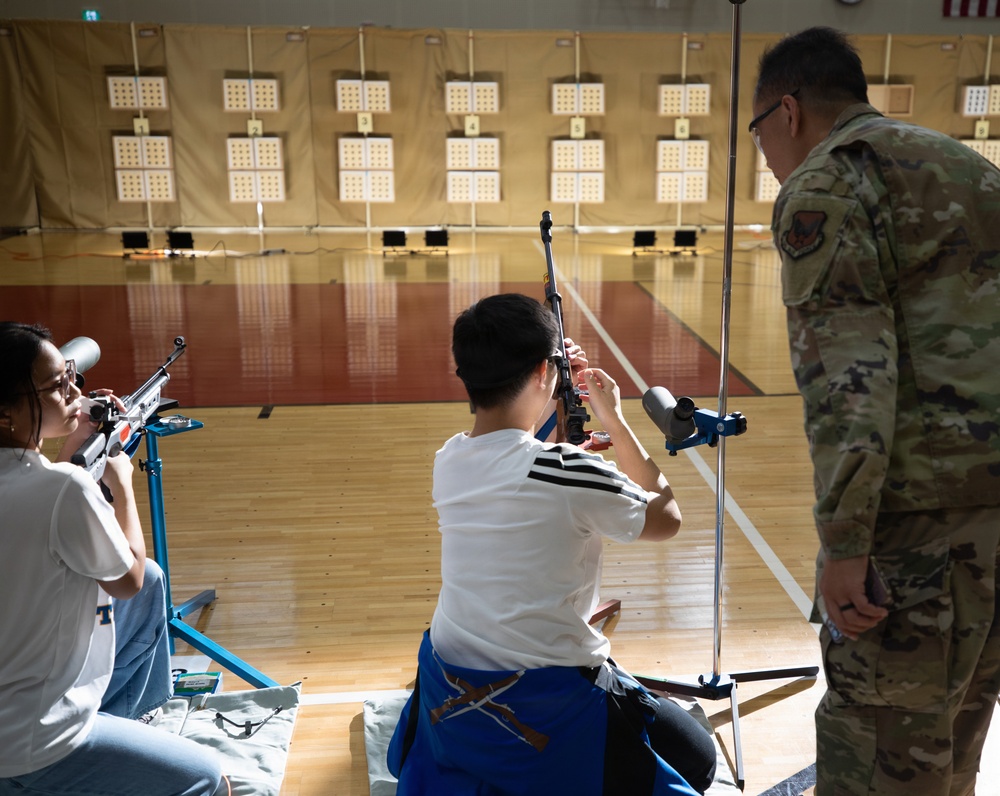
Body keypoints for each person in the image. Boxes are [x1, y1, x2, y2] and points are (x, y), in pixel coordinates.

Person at [752, 26, 1000, 796]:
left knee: (885, 760)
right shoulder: (975, 172)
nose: (764, 152)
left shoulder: (829, 185)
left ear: (787, 112)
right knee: (954, 747)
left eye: (758, 130)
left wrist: (847, 541)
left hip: (916, 539)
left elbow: (851, 381)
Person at [387, 293, 717, 795]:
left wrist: (550, 394)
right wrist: (615, 419)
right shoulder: (567, 471)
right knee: (698, 759)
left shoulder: (449, 459)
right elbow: (665, 517)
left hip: (450, 681)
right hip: (548, 698)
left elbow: (517, 454)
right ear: (545, 371)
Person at [0, 322, 227, 796]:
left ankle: (126, 738)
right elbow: (126, 575)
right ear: (6, 413)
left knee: (152, 589)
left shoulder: (41, 482)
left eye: (71, 377)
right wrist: (121, 482)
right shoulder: (66, 488)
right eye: (57, 386)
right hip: (35, 740)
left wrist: (71, 445)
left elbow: (39, 511)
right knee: (209, 779)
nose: (74, 391)